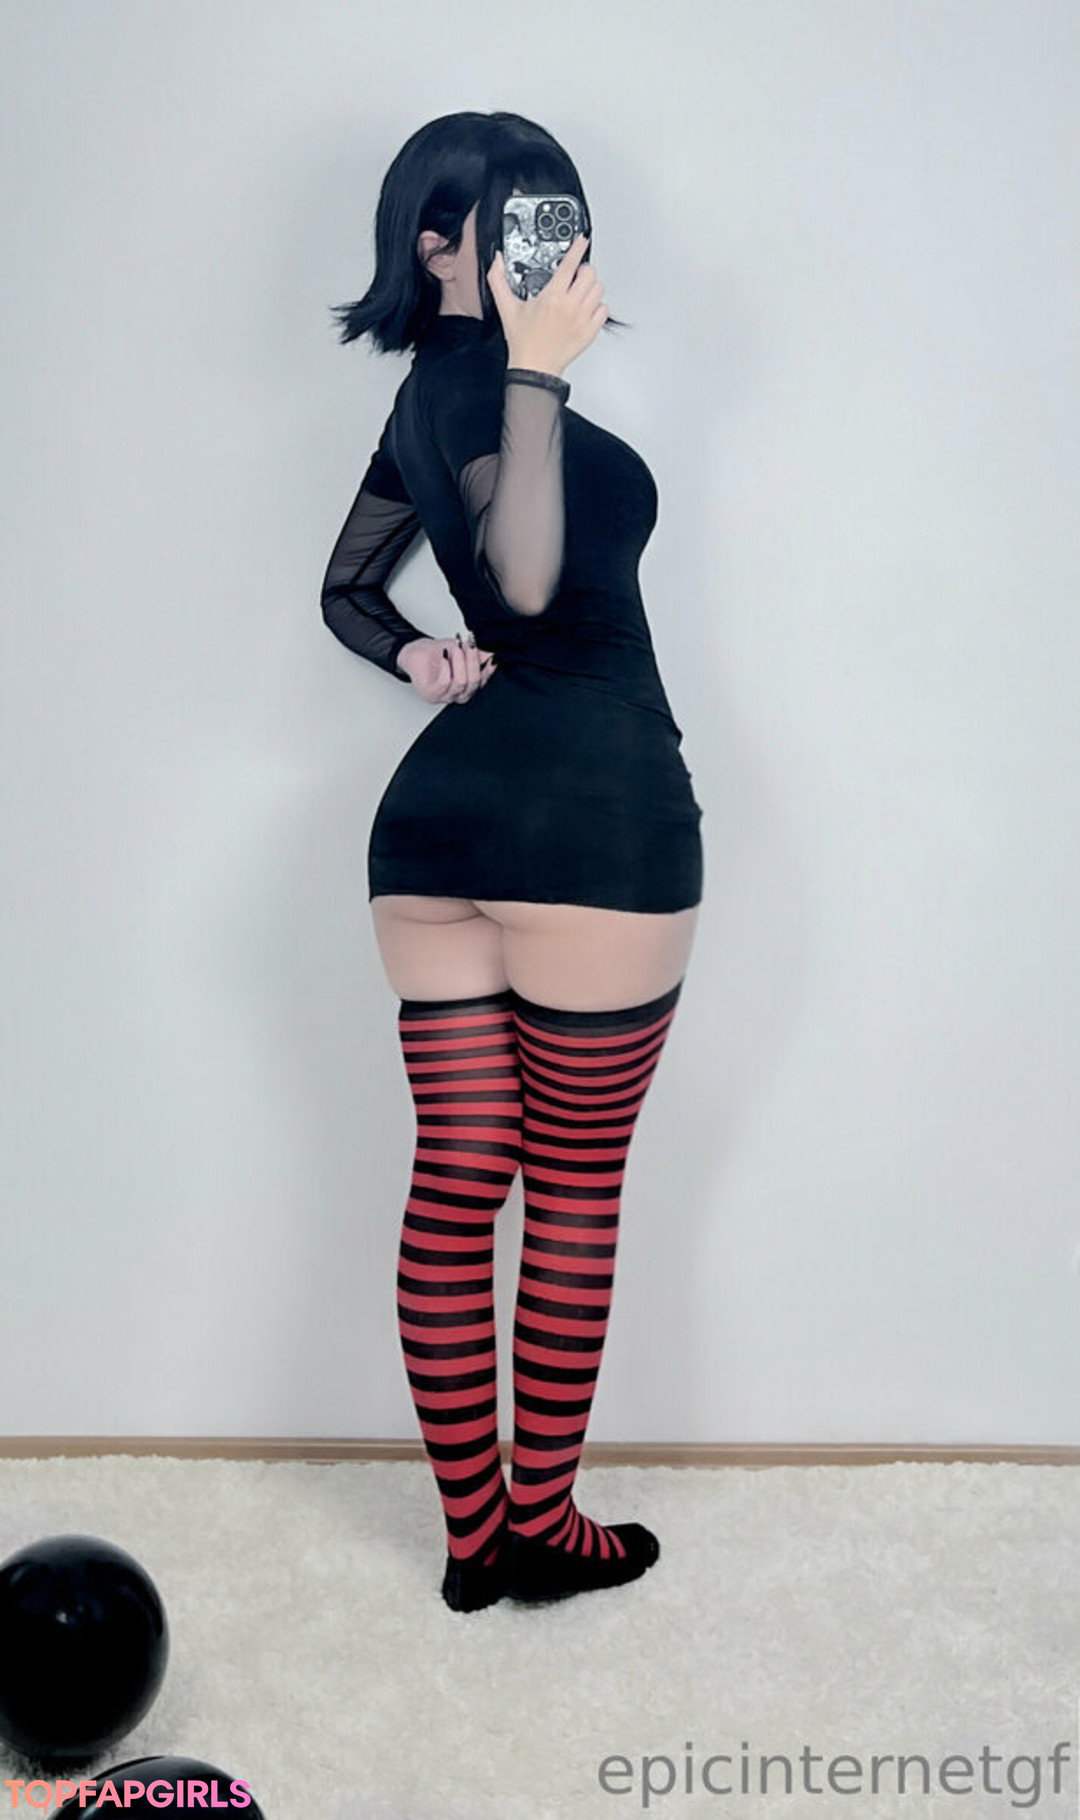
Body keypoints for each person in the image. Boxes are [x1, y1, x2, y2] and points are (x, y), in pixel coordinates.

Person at [321, 112, 704, 1613]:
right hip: (593, 826)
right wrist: (540, 370)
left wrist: (413, 650)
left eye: (562, 212)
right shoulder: (499, 385)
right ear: (434, 243)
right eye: (515, 218)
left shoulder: (424, 395)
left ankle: (475, 1540)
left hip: (435, 840)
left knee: (459, 1176)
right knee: (573, 1191)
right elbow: (533, 586)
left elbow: (350, 587)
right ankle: (541, 1528)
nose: (552, 241)